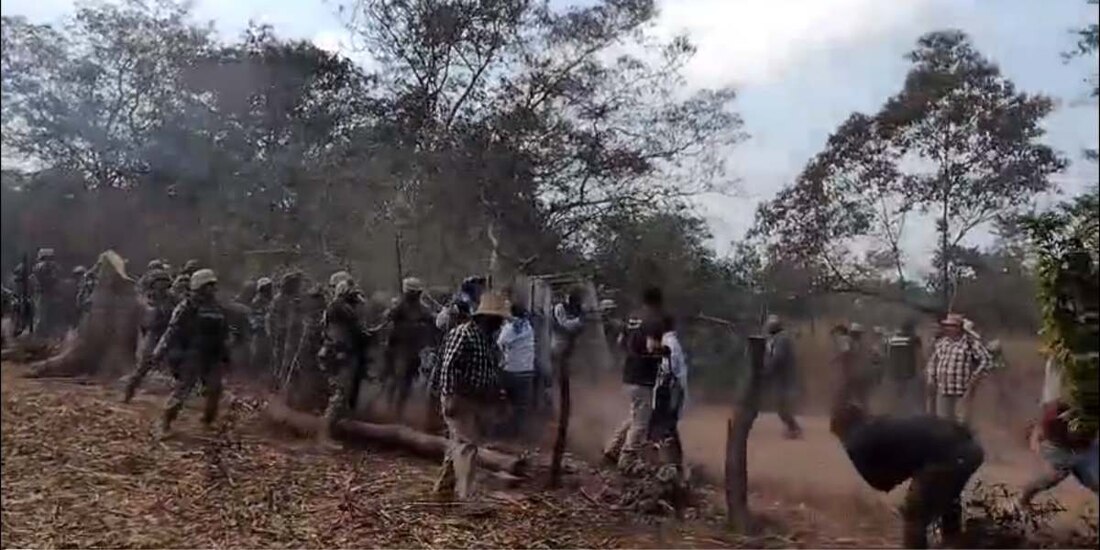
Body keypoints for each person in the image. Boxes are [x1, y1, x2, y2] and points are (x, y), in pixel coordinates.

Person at [831, 401, 984, 548]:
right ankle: (954, 543)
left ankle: (948, 542)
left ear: (841, 429)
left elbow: (879, 482)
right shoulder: (880, 424)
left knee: (914, 511)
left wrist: (900, 475)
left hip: (951, 457)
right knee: (944, 498)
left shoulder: (857, 441)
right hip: (968, 450)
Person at [431, 290, 508, 500]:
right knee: (467, 446)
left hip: (476, 399)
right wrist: (450, 397)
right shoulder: (463, 333)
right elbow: (448, 366)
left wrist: (497, 393)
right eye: (497, 319)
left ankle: (443, 491)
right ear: (486, 317)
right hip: (459, 397)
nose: (500, 323)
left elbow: (489, 370)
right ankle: (467, 498)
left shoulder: (487, 339)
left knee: (458, 444)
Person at [149, 269, 231, 438]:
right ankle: (164, 422)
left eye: (213, 285)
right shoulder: (187, 306)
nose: (212, 289)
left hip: (212, 354)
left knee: (215, 389)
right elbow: (172, 330)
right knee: (183, 390)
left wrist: (226, 353)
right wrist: (159, 351)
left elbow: (224, 331)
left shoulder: (217, 307)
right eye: (208, 285)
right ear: (199, 286)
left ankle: (207, 422)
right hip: (193, 354)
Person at [1018, 358, 1099, 508]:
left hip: (1083, 444)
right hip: (1060, 443)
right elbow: (1052, 408)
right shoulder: (1062, 370)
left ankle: (1022, 500)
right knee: (1053, 476)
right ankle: (1021, 501)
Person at [603, 286, 668, 471]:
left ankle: (612, 448)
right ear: (659, 303)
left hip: (629, 372)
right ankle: (627, 459)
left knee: (635, 415)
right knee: (641, 421)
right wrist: (666, 354)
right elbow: (651, 348)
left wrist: (632, 356)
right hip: (644, 377)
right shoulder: (655, 321)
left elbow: (620, 342)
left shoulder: (633, 317)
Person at [316, 279, 372, 448]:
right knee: (339, 396)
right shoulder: (340, 307)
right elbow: (357, 329)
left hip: (337, 354)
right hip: (338, 355)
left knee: (343, 394)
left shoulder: (336, 307)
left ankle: (336, 430)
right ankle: (324, 436)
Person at [378, 276, 436, 419]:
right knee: (397, 379)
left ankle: (397, 409)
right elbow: (387, 319)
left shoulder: (422, 308)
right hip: (398, 349)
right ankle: (390, 408)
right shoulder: (399, 306)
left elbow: (431, 319)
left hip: (414, 349)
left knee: (407, 381)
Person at [122, 268, 176, 403]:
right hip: (155, 333)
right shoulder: (148, 299)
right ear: (153, 284)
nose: (162, 285)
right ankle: (129, 392)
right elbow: (145, 320)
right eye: (159, 282)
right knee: (143, 366)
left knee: (178, 365)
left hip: (170, 333)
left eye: (164, 281)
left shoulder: (173, 298)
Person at [926, 313, 992, 423]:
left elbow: (986, 360)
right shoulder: (942, 343)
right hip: (943, 389)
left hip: (962, 390)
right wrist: (931, 378)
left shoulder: (970, 343)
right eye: (947, 326)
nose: (948, 328)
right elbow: (933, 362)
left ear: (960, 327)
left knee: (961, 424)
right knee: (943, 423)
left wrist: (975, 377)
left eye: (952, 326)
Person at [649, 318, 687, 467]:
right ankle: (675, 460)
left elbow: (667, 368)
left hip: (668, 388)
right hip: (675, 387)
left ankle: (667, 461)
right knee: (668, 424)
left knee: (662, 423)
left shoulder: (667, 342)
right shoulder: (673, 341)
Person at [497, 302, 536, 440]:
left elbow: (500, 342)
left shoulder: (511, 328)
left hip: (512, 370)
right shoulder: (528, 326)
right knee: (522, 405)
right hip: (528, 370)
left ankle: (506, 433)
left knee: (504, 400)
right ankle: (521, 433)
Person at [763, 314, 803, 439]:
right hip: (781, 378)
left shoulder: (781, 339)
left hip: (784, 378)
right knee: (781, 406)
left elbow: (778, 358)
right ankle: (793, 428)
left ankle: (794, 428)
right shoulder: (777, 339)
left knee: (781, 406)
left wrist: (767, 369)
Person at [267, 271, 304, 388]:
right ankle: (279, 383)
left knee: (292, 360)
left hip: (294, 334)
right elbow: (273, 319)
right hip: (282, 334)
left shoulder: (295, 298)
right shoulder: (279, 300)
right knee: (281, 360)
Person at [886, 320, 924, 415]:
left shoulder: (892, 339)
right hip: (909, 370)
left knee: (898, 393)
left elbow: (888, 354)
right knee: (911, 396)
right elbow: (918, 354)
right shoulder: (913, 338)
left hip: (895, 370)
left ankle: (896, 412)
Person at [30, 248, 61, 337]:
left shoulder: (39, 267)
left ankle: (41, 334)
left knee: (42, 314)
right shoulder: (44, 266)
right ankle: (40, 335)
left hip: (45, 292)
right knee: (42, 315)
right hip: (44, 292)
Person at [249, 277, 274, 375]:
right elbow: (254, 319)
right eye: (267, 288)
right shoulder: (257, 302)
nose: (269, 290)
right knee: (258, 355)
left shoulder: (271, 301)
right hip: (260, 333)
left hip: (269, 333)